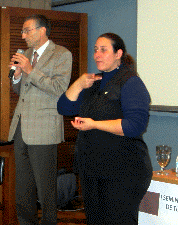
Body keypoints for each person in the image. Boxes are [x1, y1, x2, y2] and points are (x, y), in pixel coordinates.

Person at [57, 33, 152, 224]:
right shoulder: (94, 82)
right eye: (95, 50)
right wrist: (78, 84)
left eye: (103, 50)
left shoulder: (131, 82)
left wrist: (94, 124)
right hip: (93, 169)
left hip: (123, 170)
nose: (97, 55)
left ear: (118, 54)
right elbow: (64, 108)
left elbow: (134, 126)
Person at [8, 14, 73, 225]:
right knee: (23, 187)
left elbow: (59, 89)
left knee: (46, 189)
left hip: (44, 128)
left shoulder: (62, 54)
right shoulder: (26, 54)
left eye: (27, 30)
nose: (22, 34)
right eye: (23, 30)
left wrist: (30, 70)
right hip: (21, 127)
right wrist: (17, 76)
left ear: (42, 30)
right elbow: (21, 90)